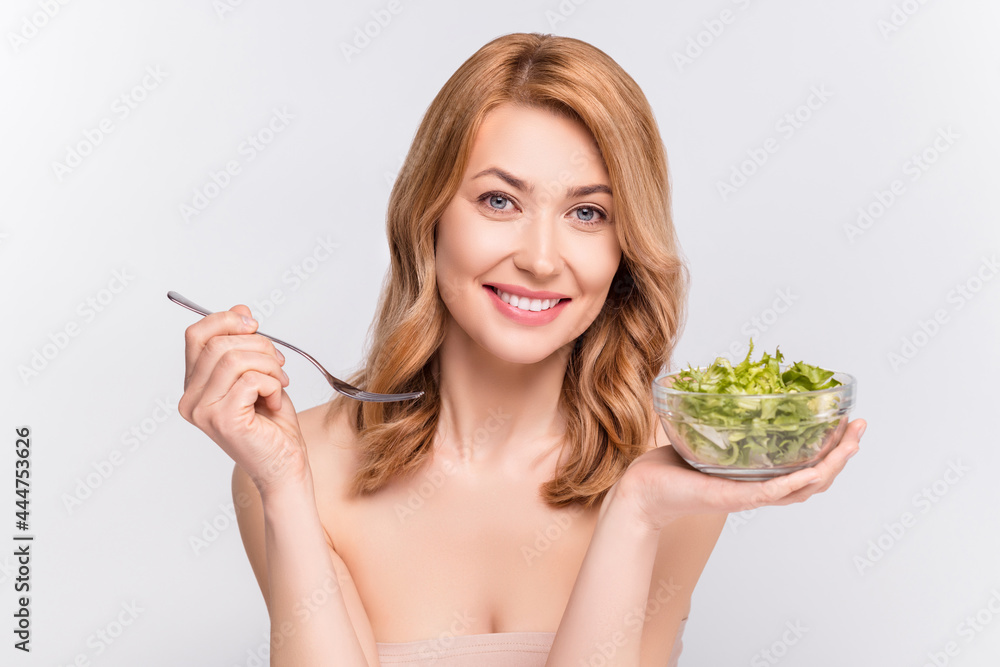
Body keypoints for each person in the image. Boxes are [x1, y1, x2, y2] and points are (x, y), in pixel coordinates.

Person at [178, 32, 865, 667]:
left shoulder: (675, 469)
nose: (540, 258)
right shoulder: (302, 466)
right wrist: (281, 486)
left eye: (588, 213)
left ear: (624, 251)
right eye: (500, 201)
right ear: (430, 217)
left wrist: (638, 508)